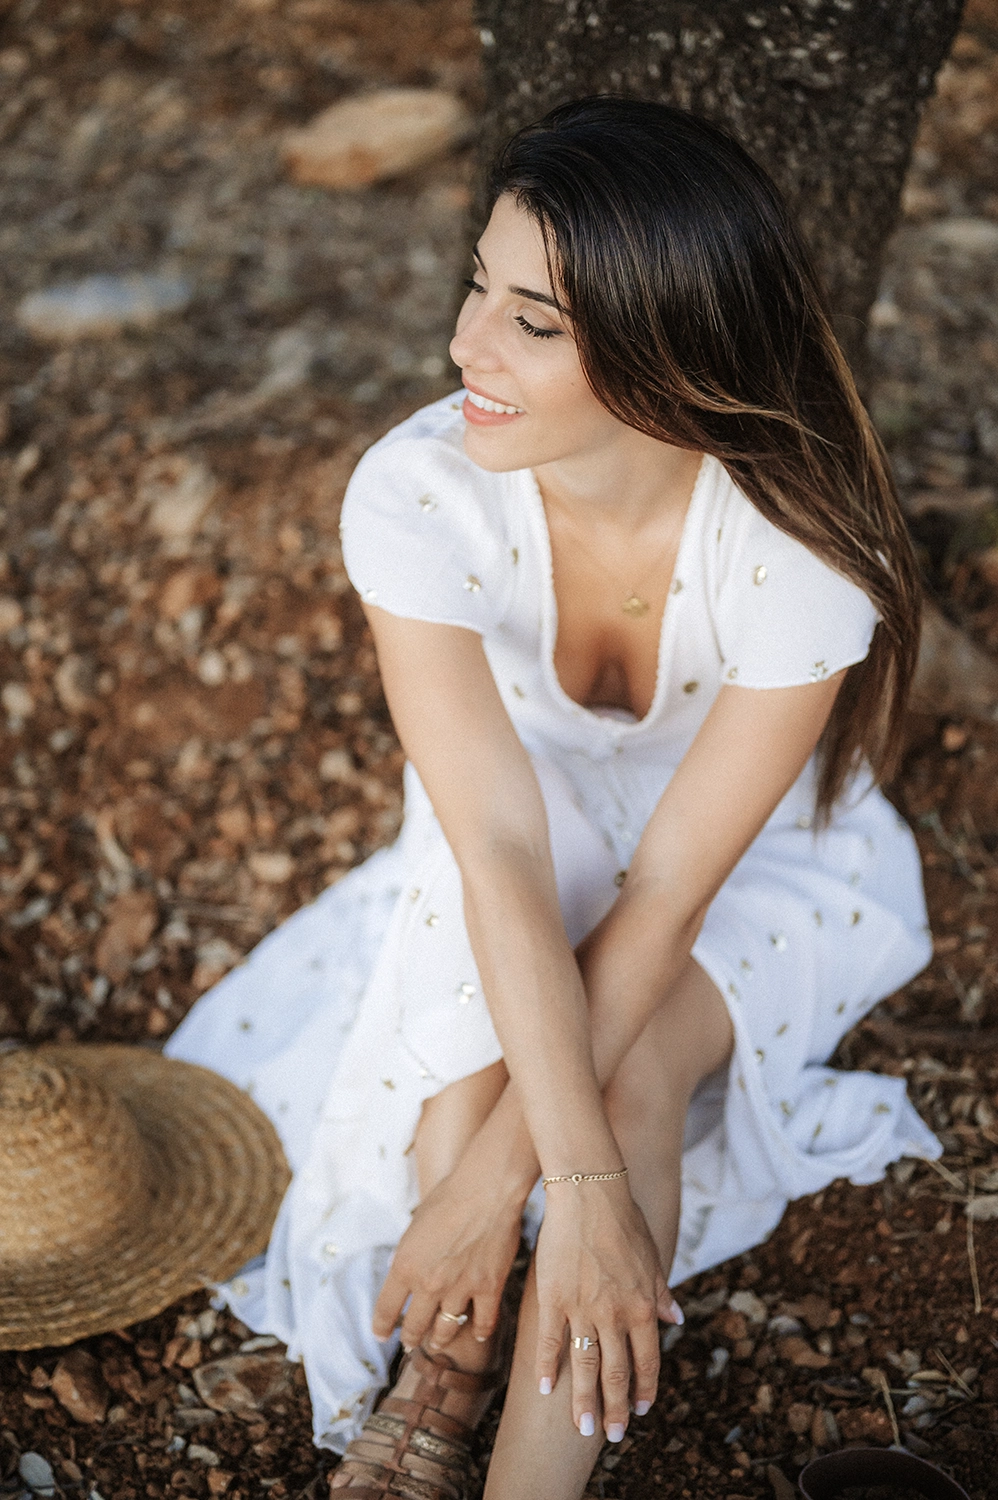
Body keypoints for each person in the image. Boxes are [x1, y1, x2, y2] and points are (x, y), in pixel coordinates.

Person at [166, 97, 941, 1500]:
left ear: (665, 349)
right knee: (471, 1060)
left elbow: (665, 900)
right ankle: (440, 1380)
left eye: (532, 320)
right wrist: (500, 1181)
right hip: (514, 826)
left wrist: (555, 1192)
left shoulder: (793, 556)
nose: (466, 344)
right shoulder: (419, 493)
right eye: (478, 285)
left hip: (750, 858)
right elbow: (504, 853)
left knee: (631, 1080)